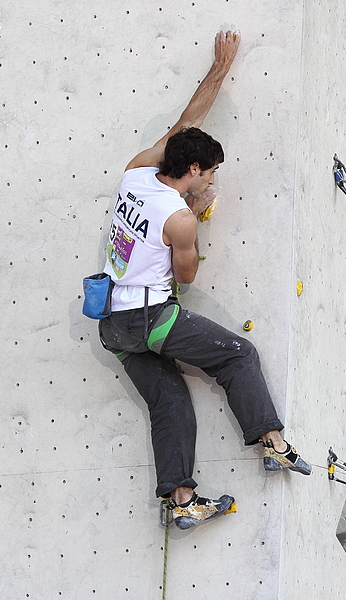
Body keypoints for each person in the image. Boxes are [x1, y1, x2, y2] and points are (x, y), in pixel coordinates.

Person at [96, 30, 311, 531]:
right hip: (151, 317)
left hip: (112, 325)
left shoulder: (137, 170)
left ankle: (181, 499)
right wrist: (195, 212)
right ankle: (272, 443)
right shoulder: (181, 218)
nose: (212, 181)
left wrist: (220, 68)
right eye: (209, 173)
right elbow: (184, 275)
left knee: (170, 399)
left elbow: (186, 122)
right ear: (192, 169)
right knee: (239, 355)